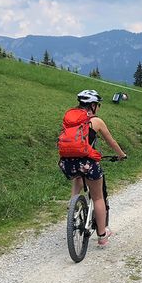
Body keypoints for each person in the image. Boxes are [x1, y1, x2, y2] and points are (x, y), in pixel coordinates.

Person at [58, 89, 127, 247]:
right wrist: (121, 155)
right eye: (98, 105)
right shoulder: (96, 121)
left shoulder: (70, 119)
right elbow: (112, 142)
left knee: (77, 176)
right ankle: (102, 236)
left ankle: (73, 205)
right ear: (93, 105)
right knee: (98, 197)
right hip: (88, 163)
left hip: (67, 163)